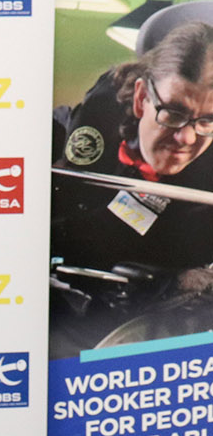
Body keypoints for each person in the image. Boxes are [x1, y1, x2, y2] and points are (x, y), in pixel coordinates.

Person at [53, 21, 213, 276]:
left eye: (207, 120)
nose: (187, 138)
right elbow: (78, 210)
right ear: (141, 98)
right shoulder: (106, 104)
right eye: (173, 113)